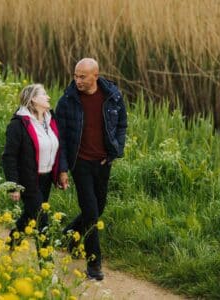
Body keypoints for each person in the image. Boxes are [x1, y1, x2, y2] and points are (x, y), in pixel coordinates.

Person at [55, 58, 127, 280]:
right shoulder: (67, 101)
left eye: (82, 76)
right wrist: (63, 169)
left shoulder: (112, 96)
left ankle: (69, 235)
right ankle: (94, 265)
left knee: (98, 206)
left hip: (103, 162)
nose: (78, 80)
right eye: (76, 76)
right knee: (91, 214)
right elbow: (62, 139)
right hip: (81, 164)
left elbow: (122, 125)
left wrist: (114, 151)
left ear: (95, 75)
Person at [2, 83, 59, 253]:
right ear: (33, 99)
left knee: (29, 215)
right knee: (42, 221)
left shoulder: (50, 119)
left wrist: (60, 172)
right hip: (29, 180)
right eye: (44, 94)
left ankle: (11, 246)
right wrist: (14, 186)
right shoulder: (18, 124)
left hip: (46, 178)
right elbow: (9, 156)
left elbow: (58, 147)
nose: (48, 97)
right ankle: (47, 268)